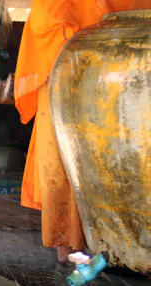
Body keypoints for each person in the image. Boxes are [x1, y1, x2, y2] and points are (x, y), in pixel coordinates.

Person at [15, 0, 151, 262]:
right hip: (73, 63)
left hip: (121, 63)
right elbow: (49, 19)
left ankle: (113, 252)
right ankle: (73, 255)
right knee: (71, 160)